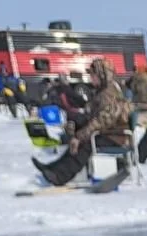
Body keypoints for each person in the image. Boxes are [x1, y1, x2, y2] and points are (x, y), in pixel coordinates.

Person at [31, 58, 132, 188]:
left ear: (102, 75)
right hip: (106, 132)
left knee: (85, 144)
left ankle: (60, 176)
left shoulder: (109, 94)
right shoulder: (101, 92)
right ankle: (53, 168)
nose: (91, 78)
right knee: (78, 137)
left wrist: (80, 135)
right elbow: (92, 115)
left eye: (93, 75)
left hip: (116, 136)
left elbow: (102, 121)